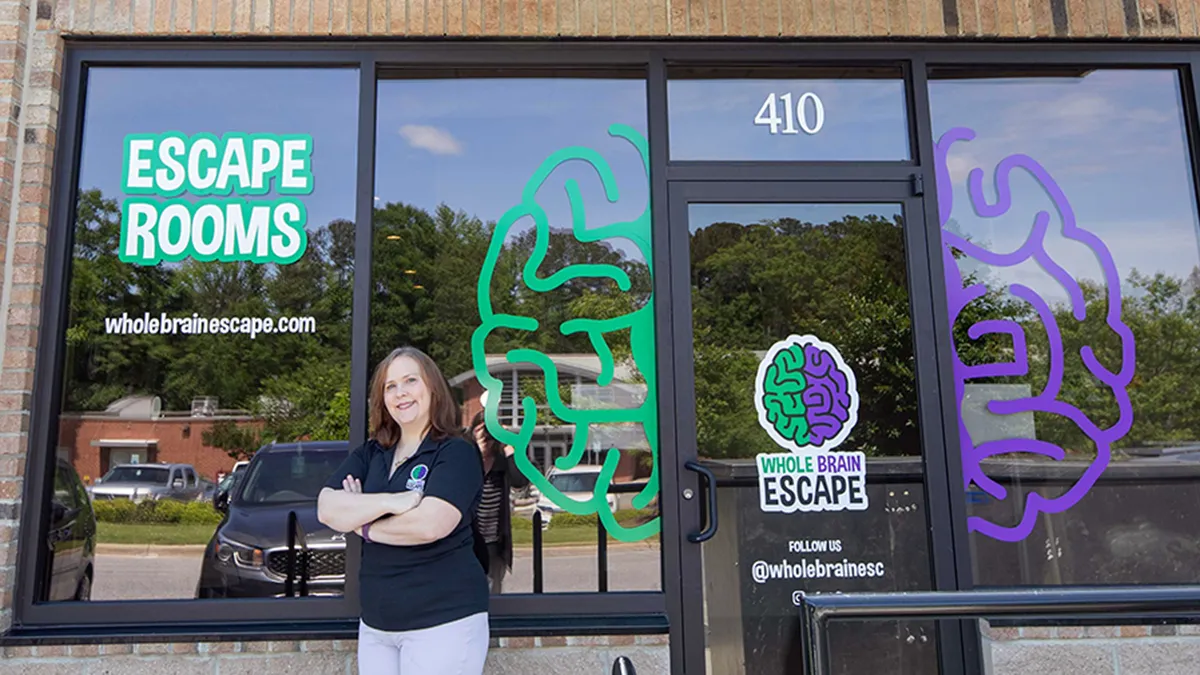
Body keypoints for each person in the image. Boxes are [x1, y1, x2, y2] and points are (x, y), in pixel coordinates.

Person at [317, 346, 488, 675]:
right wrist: (388, 502)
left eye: (411, 380)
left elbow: (430, 524)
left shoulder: (456, 452)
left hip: (443, 621)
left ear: (432, 387)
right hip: (377, 627)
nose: (401, 393)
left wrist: (362, 523)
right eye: (390, 386)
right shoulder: (372, 452)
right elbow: (327, 507)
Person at [470, 410, 530, 594]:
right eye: (483, 429)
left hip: (494, 540)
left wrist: (509, 447)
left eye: (491, 430)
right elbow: (460, 480)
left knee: (494, 593)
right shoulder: (465, 453)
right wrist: (477, 450)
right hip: (467, 538)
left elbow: (519, 482)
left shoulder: (502, 459)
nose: (488, 435)